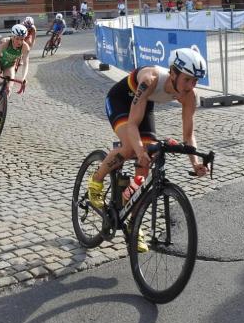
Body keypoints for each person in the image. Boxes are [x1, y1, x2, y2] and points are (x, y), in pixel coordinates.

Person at [86, 48, 209, 252]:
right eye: (187, 79)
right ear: (173, 72)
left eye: (195, 80)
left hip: (145, 103)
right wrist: (140, 151)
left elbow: (188, 136)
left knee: (146, 164)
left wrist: (195, 163)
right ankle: (95, 182)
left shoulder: (190, 95)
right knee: (130, 149)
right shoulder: (150, 79)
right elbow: (132, 124)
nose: (191, 86)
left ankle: (133, 223)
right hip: (120, 100)